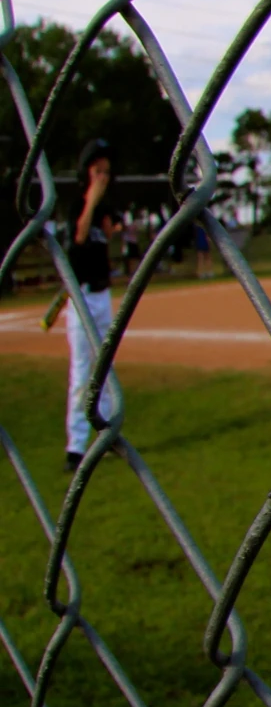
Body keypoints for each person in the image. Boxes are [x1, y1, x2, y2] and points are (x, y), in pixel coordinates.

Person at [61, 139, 124, 470]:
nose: (103, 176)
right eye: (98, 170)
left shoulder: (106, 207)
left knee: (107, 365)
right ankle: (75, 447)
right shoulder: (77, 206)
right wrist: (92, 203)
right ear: (86, 172)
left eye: (107, 172)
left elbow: (112, 231)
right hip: (81, 297)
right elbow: (80, 236)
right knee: (82, 371)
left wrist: (111, 221)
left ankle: (109, 432)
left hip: (101, 295)